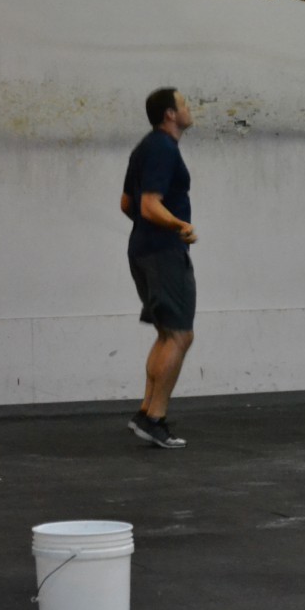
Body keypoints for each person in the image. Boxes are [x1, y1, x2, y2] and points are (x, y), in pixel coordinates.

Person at [120, 87, 198, 449]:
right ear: (170, 114)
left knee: (168, 334)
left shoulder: (145, 149)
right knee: (180, 335)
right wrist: (179, 225)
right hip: (163, 252)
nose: (189, 109)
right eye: (184, 104)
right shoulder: (163, 149)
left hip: (144, 249)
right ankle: (155, 419)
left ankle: (146, 412)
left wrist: (152, 228)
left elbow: (127, 204)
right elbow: (148, 205)